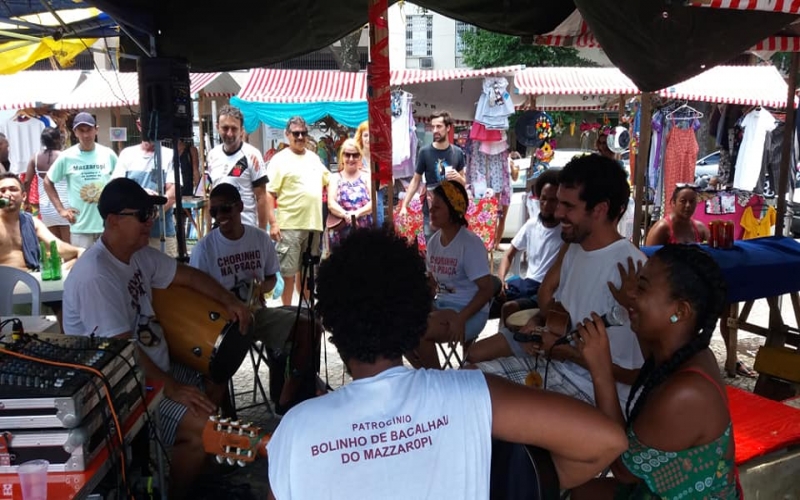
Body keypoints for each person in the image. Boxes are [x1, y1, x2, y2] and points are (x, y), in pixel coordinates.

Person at [266, 228, 628, 500]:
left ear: (330, 323)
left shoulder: (297, 430)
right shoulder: (471, 393)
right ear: (418, 318)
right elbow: (607, 441)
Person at [61, 177, 251, 500]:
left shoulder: (137, 255)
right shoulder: (96, 275)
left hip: (153, 367)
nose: (151, 220)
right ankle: (177, 488)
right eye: (142, 215)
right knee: (202, 424)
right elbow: (123, 354)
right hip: (123, 387)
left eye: (151, 212)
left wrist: (230, 302)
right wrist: (173, 388)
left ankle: (198, 471)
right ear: (112, 221)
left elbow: (188, 275)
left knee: (217, 370)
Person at [474, 154, 645, 409]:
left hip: (594, 396)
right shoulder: (575, 249)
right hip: (557, 370)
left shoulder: (631, 270)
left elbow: (635, 374)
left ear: (599, 210)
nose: (557, 212)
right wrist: (542, 324)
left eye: (568, 206)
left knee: (479, 398)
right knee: (467, 379)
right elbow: (562, 312)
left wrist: (568, 354)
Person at [571, 245, 739, 500]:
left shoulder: (686, 393)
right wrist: (631, 305)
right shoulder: (682, 351)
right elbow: (649, 355)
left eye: (642, 288)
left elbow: (623, 470)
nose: (631, 295)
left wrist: (601, 371)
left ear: (679, 312)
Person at [190, 183, 322, 411]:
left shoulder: (259, 239)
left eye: (226, 209)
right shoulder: (205, 248)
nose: (220, 216)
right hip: (220, 324)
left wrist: (260, 288)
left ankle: (288, 397)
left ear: (240, 207)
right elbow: (195, 294)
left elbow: (272, 278)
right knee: (216, 366)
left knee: (311, 326)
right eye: (214, 211)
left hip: (256, 314)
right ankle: (223, 419)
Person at [407, 180, 494, 370]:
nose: (432, 211)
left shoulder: (469, 244)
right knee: (399, 327)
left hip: (470, 312)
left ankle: (438, 381)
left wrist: (461, 317)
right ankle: (427, 374)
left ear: (454, 211)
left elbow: (487, 290)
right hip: (443, 307)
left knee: (420, 331)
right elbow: (433, 283)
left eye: (437, 207)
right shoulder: (434, 243)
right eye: (431, 206)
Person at [0, 172, 83, 329]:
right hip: (5, 288)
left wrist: (80, 251)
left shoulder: (30, 221)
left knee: (76, 271)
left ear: (24, 196)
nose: (7, 194)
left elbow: (57, 247)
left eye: (12, 189)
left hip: (32, 281)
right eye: (2, 191)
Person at [266, 116, 330, 306]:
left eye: (303, 133)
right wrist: (273, 223)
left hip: (313, 226)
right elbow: (270, 193)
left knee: (308, 275)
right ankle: (287, 316)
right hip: (290, 227)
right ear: (287, 135)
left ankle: (306, 314)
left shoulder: (314, 158)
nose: (300, 137)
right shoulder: (279, 160)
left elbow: (329, 180)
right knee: (288, 275)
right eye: (296, 133)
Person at [494, 168, 563, 326]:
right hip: (526, 284)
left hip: (547, 291)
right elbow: (508, 254)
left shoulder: (566, 232)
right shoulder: (532, 225)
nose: (546, 205)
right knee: (486, 296)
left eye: (553, 201)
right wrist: (501, 279)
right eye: (543, 199)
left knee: (509, 307)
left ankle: (509, 347)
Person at [44, 112, 117, 250]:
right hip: (80, 226)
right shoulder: (67, 157)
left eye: (89, 130)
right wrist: (61, 210)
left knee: (110, 267)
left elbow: (120, 182)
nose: (86, 135)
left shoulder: (108, 154)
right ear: (75, 132)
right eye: (81, 131)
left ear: (96, 129)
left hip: (107, 225)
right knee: (83, 267)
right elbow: (48, 181)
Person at [399, 110, 466, 243]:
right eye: (433, 126)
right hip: (431, 209)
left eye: (439, 126)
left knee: (452, 247)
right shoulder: (425, 152)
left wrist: (458, 178)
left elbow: (464, 183)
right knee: (432, 247)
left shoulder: (457, 153)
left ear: (448, 128)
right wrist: (404, 205)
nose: (435, 130)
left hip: (451, 209)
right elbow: (416, 180)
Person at [113, 129, 179, 257]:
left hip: (161, 234)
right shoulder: (127, 154)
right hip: (131, 235)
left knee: (165, 274)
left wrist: (150, 214)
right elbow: (117, 188)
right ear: (139, 125)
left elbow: (172, 193)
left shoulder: (170, 155)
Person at [206, 105, 269, 229]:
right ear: (217, 127)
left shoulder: (252, 155)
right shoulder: (213, 155)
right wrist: (208, 231)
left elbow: (261, 197)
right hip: (220, 228)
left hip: (246, 228)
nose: (229, 133)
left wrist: (261, 234)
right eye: (225, 128)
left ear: (241, 130)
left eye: (234, 129)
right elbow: (211, 194)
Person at [24, 128, 71, 243]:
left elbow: (26, 182)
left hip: (45, 207)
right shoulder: (65, 156)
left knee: (55, 247)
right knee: (69, 246)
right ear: (58, 139)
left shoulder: (35, 158)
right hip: (65, 205)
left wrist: (26, 203)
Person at [327, 138, 372, 248]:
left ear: (360, 157)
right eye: (347, 155)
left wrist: (356, 214)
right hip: (340, 233)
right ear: (342, 157)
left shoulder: (367, 177)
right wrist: (347, 216)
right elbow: (331, 204)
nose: (351, 159)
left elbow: (373, 203)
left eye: (355, 155)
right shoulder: (335, 178)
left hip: (364, 232)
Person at [645, 183, 710, 246]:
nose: (688, 205)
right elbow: (648, 255)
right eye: (683, 201)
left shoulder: (700, 229)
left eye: (692, 201)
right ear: (673, 203)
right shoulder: (661, 228)